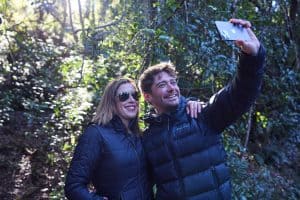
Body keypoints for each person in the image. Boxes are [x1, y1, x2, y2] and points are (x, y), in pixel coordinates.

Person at [138, 18, 266, 200]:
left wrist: (253, 57)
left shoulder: (202, 115)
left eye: (173, 82)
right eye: (162, 85)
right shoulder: (148, 139)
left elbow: (240, 93)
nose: (172, 88)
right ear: (147, 96)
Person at [64, 78, 202, 200]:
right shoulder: (96, 134)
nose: (131, 100)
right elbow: (73, 186)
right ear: (111, 102)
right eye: (124, 96)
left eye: (135, 95)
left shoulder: (140, 137)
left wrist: (186, 105)